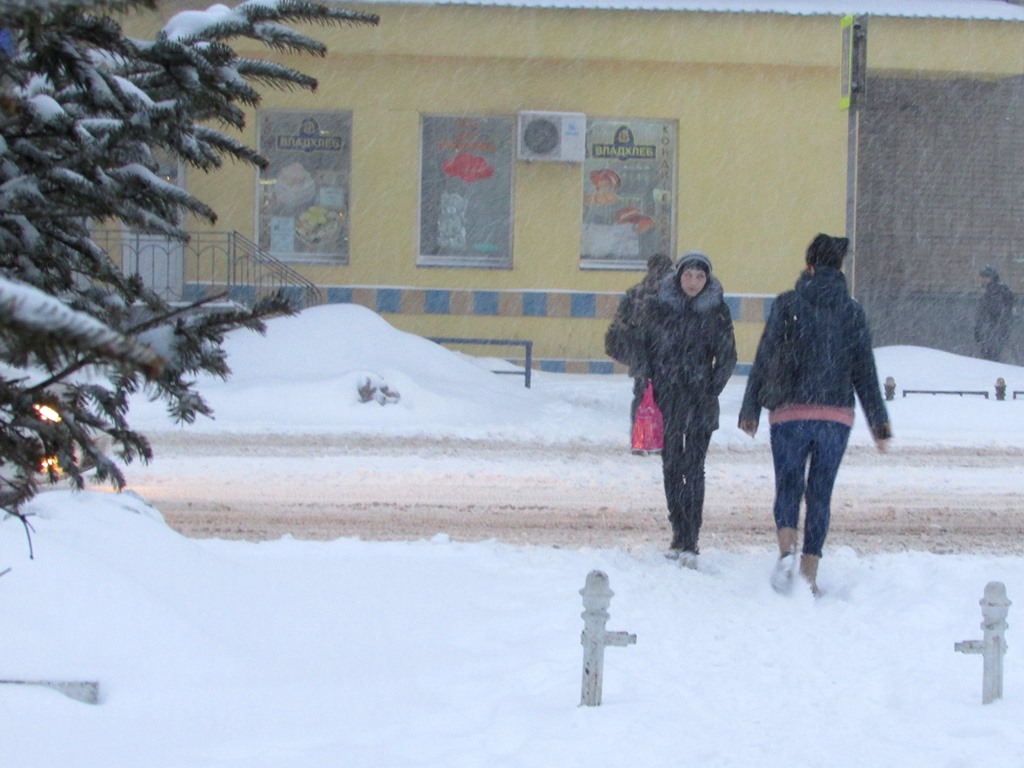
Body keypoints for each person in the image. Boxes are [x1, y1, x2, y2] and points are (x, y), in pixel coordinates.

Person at [738, 233, 892, 595]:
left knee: (788, 485)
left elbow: (765, 357)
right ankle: (809, 575)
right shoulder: (852, 311)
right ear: (839, 268)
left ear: (809, 266)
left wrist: (750, 409)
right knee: (820, 494)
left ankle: (787, 551)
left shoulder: (787, 304)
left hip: (789, 412)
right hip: (835, 415)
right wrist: (879, 423)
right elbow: (864, 370)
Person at [637, 251, 736, 568]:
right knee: (670, 467)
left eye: (700, 276)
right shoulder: (660, 307)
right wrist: (649, 384)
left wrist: (710, 388)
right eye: (688, 275)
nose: (693, 282)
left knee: (693, 468)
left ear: (707, 280)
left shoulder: (716, 311)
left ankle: (691, 539)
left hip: (700, 400)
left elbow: (727, 356)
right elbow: (645, 350)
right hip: (667, 399)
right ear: (678, 277)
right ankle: (677, 533)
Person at [604, 253, 674, 443]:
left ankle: (640, 439)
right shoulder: (676, 294)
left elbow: (620, 324)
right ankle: (664, 440)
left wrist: (633, 346)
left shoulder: (635, 292)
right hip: (669, 358)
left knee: (642, 395)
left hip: (642, 356)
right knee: (669, 399)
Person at [974, 264, 1015, 362]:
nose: (983, 279)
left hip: (994, 332)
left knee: (992, 358)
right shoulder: (990, 291)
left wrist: (993, 329)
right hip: (991, 332)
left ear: (992, 277)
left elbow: (998, 313)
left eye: (986, 277)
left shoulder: (996, 292)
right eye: (982, 276)